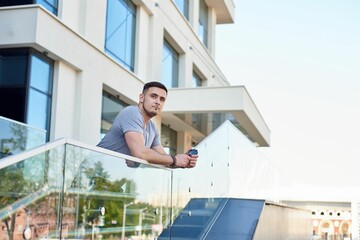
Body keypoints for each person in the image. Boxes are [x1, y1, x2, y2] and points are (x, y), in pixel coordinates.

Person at [97, 81, 198, 168]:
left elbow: (163, 159)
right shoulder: (132, 113)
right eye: (153, 96)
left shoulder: (152, 128)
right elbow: (141, 153)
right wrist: (175, 160)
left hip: (112, 181)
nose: (158, 102)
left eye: (162, 99)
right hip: (92, 173)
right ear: (141, 98)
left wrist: (183, 161)